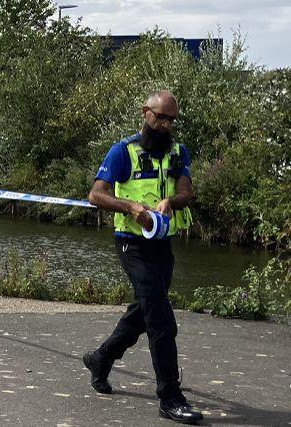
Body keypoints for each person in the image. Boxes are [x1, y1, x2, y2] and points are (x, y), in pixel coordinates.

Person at [84, 90, 203, 424]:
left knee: (145, 310)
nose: (165, 125)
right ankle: (170, 397)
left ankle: (101, 357)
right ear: (145, 113)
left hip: (162, 243)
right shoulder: (123, 152)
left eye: (171, 119)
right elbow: (96, 195)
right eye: (160, 117)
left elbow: (185, 191)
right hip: (131, 244)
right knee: (161, 319)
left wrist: (172, 203)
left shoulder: (179, 153)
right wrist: (132, 207)